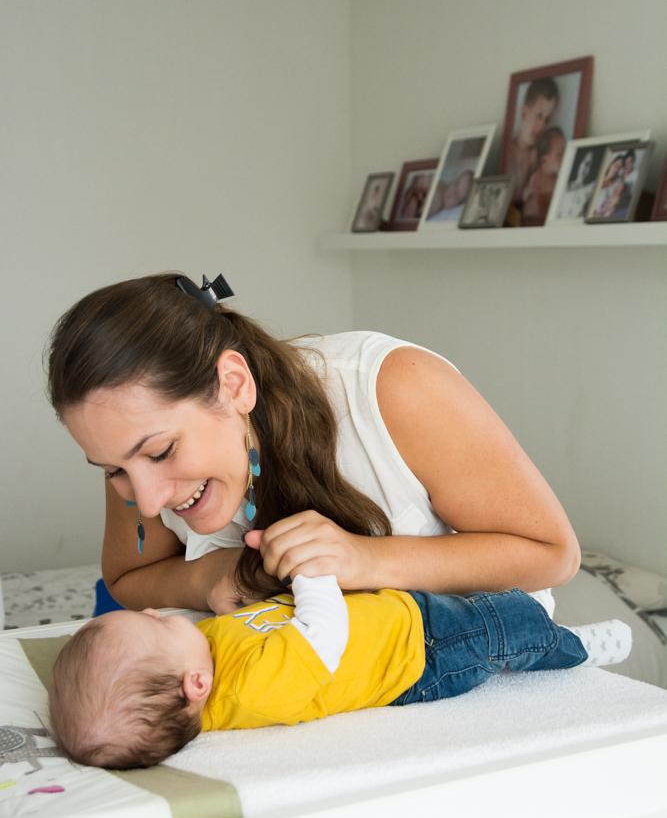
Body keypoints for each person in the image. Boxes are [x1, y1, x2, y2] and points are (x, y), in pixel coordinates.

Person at [47, 272, 582, 618]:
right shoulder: (131, 453)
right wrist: (203, 576)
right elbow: (126, 578)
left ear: (234, 385)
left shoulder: (394, 388)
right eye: (112, 469)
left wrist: (365, 559)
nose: (146, 501)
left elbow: (553, 554)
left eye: (161, 452)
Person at [48, 548, 631, 769]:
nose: (155, 614)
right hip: (417, 657)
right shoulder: (253, 689)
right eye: (150, 626)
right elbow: (320, 636)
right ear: (195, 686)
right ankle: (572, 647)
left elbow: (251, 623)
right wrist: (313, 574)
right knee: (502, 633)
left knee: (488, 607)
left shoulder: (205, 657)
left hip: (398, 616)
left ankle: (530, 611)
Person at [507, 78, 559, 202]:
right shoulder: (506, 152)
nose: (542, 126)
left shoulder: (542, 157)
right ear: (524, 112)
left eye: (547, 120)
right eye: (539, 116)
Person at [521, 126, 566, 225]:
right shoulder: (536, 180)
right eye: (559, 154)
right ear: (544, 160)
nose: (565, 157)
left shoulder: (558, 178)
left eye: (565, 151)